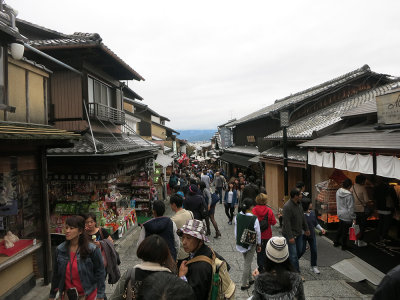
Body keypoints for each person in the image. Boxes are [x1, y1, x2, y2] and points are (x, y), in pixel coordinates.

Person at [49, 215, 105, 300]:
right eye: (66, 228)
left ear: (80, 231)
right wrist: (52, 295)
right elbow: (56, 275)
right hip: (68, 296)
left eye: (71, 228)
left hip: (89, 295)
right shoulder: (60, 250)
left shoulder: (92, 250)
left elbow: (100, 272)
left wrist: (100, 295)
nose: (67, 231)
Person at [113, 235, 176, 300]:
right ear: (164, 255)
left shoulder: (131, 274)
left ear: (142, 250)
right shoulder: (171, 278)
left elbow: (115, 298)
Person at [178, 219, 213, 300]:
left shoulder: (200, 267)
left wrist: (182, 276)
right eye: (183, 237)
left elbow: (192, 296)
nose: (184, 242)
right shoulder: (206, 250)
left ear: (200, 241)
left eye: (188, 238)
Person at [235, 198, 261, 290]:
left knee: (247, 260)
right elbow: (258, 233)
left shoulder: (237, 216)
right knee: (247, 263)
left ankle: (250, 279)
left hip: (241, 242)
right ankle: (244, 283)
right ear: (251, 207)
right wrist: (259, 244)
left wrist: (238, 240)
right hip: (250, 243)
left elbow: (236, 231)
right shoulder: (254, 218)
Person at [282, 188, 310, 273]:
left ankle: (289, 264)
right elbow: (286, 223)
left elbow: (302, 217)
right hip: (290, 234)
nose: (301, 196)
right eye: (300, 194)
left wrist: (306, 229)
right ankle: (296, 273)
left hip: (299, 232)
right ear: (295, 196)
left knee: (301, 250)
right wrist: (290, 237)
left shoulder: (299, 204)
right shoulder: (287, 206)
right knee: (293, 255)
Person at [299, 197, 326, 274]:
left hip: (312, 235)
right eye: (310, 203)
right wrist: (303, 232)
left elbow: (315, 223)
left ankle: (314, 266)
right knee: (301, 250)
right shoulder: (300, 215)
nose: (311, 204)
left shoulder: (313, 213)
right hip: (303, 236)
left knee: (314, 250)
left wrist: (321, 229)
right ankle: (294, 263)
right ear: (306, 205)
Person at [252, 193, 277, 272]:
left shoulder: (254, 209)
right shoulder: (269, 210)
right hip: (267, 235)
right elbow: (274, 222)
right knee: (267, 251)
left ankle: (260, 267)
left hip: (257, 236)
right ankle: (266, 266)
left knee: (259, 252)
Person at [170, 194, 194, 265]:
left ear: (174, 205)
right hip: (191, 249)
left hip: (181, 253)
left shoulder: (173, 220)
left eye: (171, 204)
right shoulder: (190, 213)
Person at [334, 178, 356, 251]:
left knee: (340, 228)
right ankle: (344, 245)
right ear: (349, 186)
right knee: (345, 231)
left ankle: (336, 242)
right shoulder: (349, 195)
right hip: (347, 215)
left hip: (339, 212)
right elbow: (351, 208)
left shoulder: (338, 191)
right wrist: (353, 217)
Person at [351, 175, 371, 247]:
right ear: (362, 181)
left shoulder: (352, 187)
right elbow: (366, 200)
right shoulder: (363, 188)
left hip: (353, 209)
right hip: (361, 210)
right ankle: (360, 241)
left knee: (356, 225)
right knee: (362, 226)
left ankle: (355, 240)